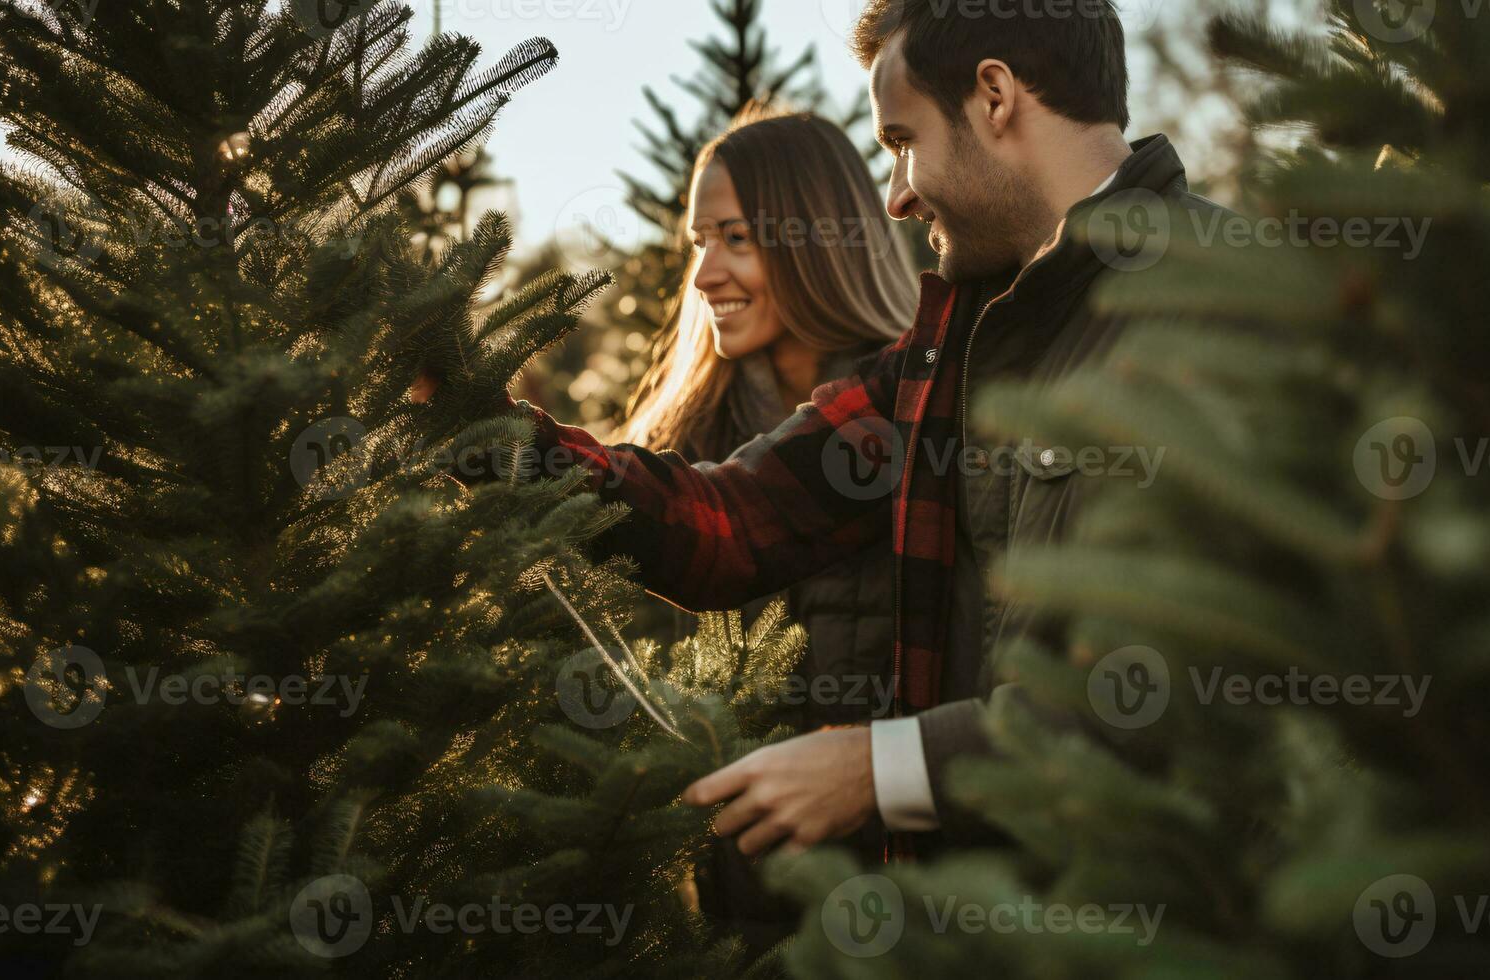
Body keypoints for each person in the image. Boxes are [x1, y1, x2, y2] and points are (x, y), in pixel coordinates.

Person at [514, 0, 1230, 860]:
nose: (893, 194)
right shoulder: (946, 354)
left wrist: (877, 770)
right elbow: (730, 524)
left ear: (994, 96)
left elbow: (1161, 702)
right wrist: (498, 442)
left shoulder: (1216, 308)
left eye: (901, 141)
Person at [608, 107, 916, 946]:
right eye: (697, 241)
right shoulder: (676, 456)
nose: (704, 273)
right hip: (728, 915)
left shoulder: (912, 422)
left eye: (736, 237)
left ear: (817, 240)